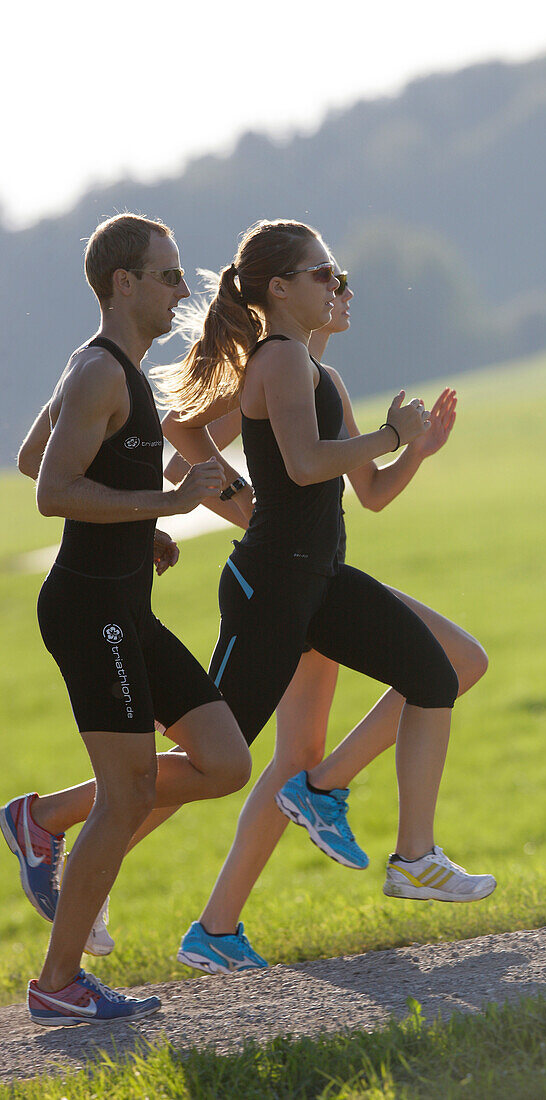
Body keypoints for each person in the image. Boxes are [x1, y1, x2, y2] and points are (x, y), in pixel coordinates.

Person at [155, 218, 496, 973]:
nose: (341, 289)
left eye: (340, 278)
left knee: (426, 681)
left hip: (312, 577)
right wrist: (381, 439)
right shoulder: (277, 362)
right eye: (326, 275)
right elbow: (286, 459)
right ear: (280, 288)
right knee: (218, 757)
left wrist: (414, 452)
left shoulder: (317, 376)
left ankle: (224, 921)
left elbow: (366, 495)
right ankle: (63, 825)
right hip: (277, 583)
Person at [2, 213, 252, 1026]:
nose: (182, 288)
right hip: (87, 610)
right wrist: (166, 505)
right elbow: (48, 492)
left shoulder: (109, 370)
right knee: (132, 788)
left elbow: (36, 455)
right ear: (124, 283)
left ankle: (39, 820)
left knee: (223, 763)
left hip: (123, 608)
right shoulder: (103, 374)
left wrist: (139, 527)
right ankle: (58, 984)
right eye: (168, 274)